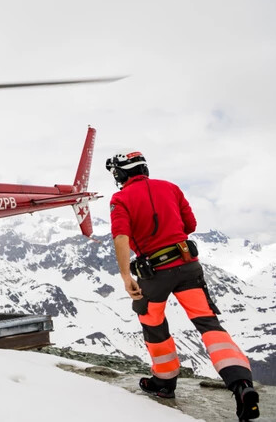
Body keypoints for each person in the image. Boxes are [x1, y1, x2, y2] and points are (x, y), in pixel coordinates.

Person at [107, 150, 259, 421]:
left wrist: (125, 276)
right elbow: (190, 224)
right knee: (208, 323)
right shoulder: (172, 188)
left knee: (153, 322)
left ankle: (164, 383)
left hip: (153, 273)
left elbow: (121, 237)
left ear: (121, 174)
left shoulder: (120, 199)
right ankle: (241, 385)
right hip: (189, 265)